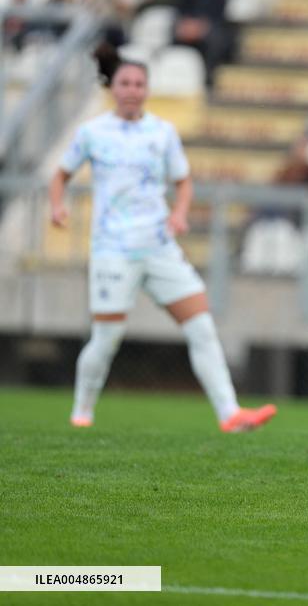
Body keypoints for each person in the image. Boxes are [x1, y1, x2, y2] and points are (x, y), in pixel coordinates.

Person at [48, 44, 277, 432]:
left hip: (158, 246)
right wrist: (57, 206)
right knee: (107, 337)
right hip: (113, 249)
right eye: (125, 82)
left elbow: (183, 181)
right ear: (112, 87)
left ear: (147, 89)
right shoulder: (92, 132)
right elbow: (60, 175)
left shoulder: (162, 132)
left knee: (201, 327)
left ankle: (230, 414)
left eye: (139, 83)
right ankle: (81, 412)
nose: (133, 89)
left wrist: (180, 213)